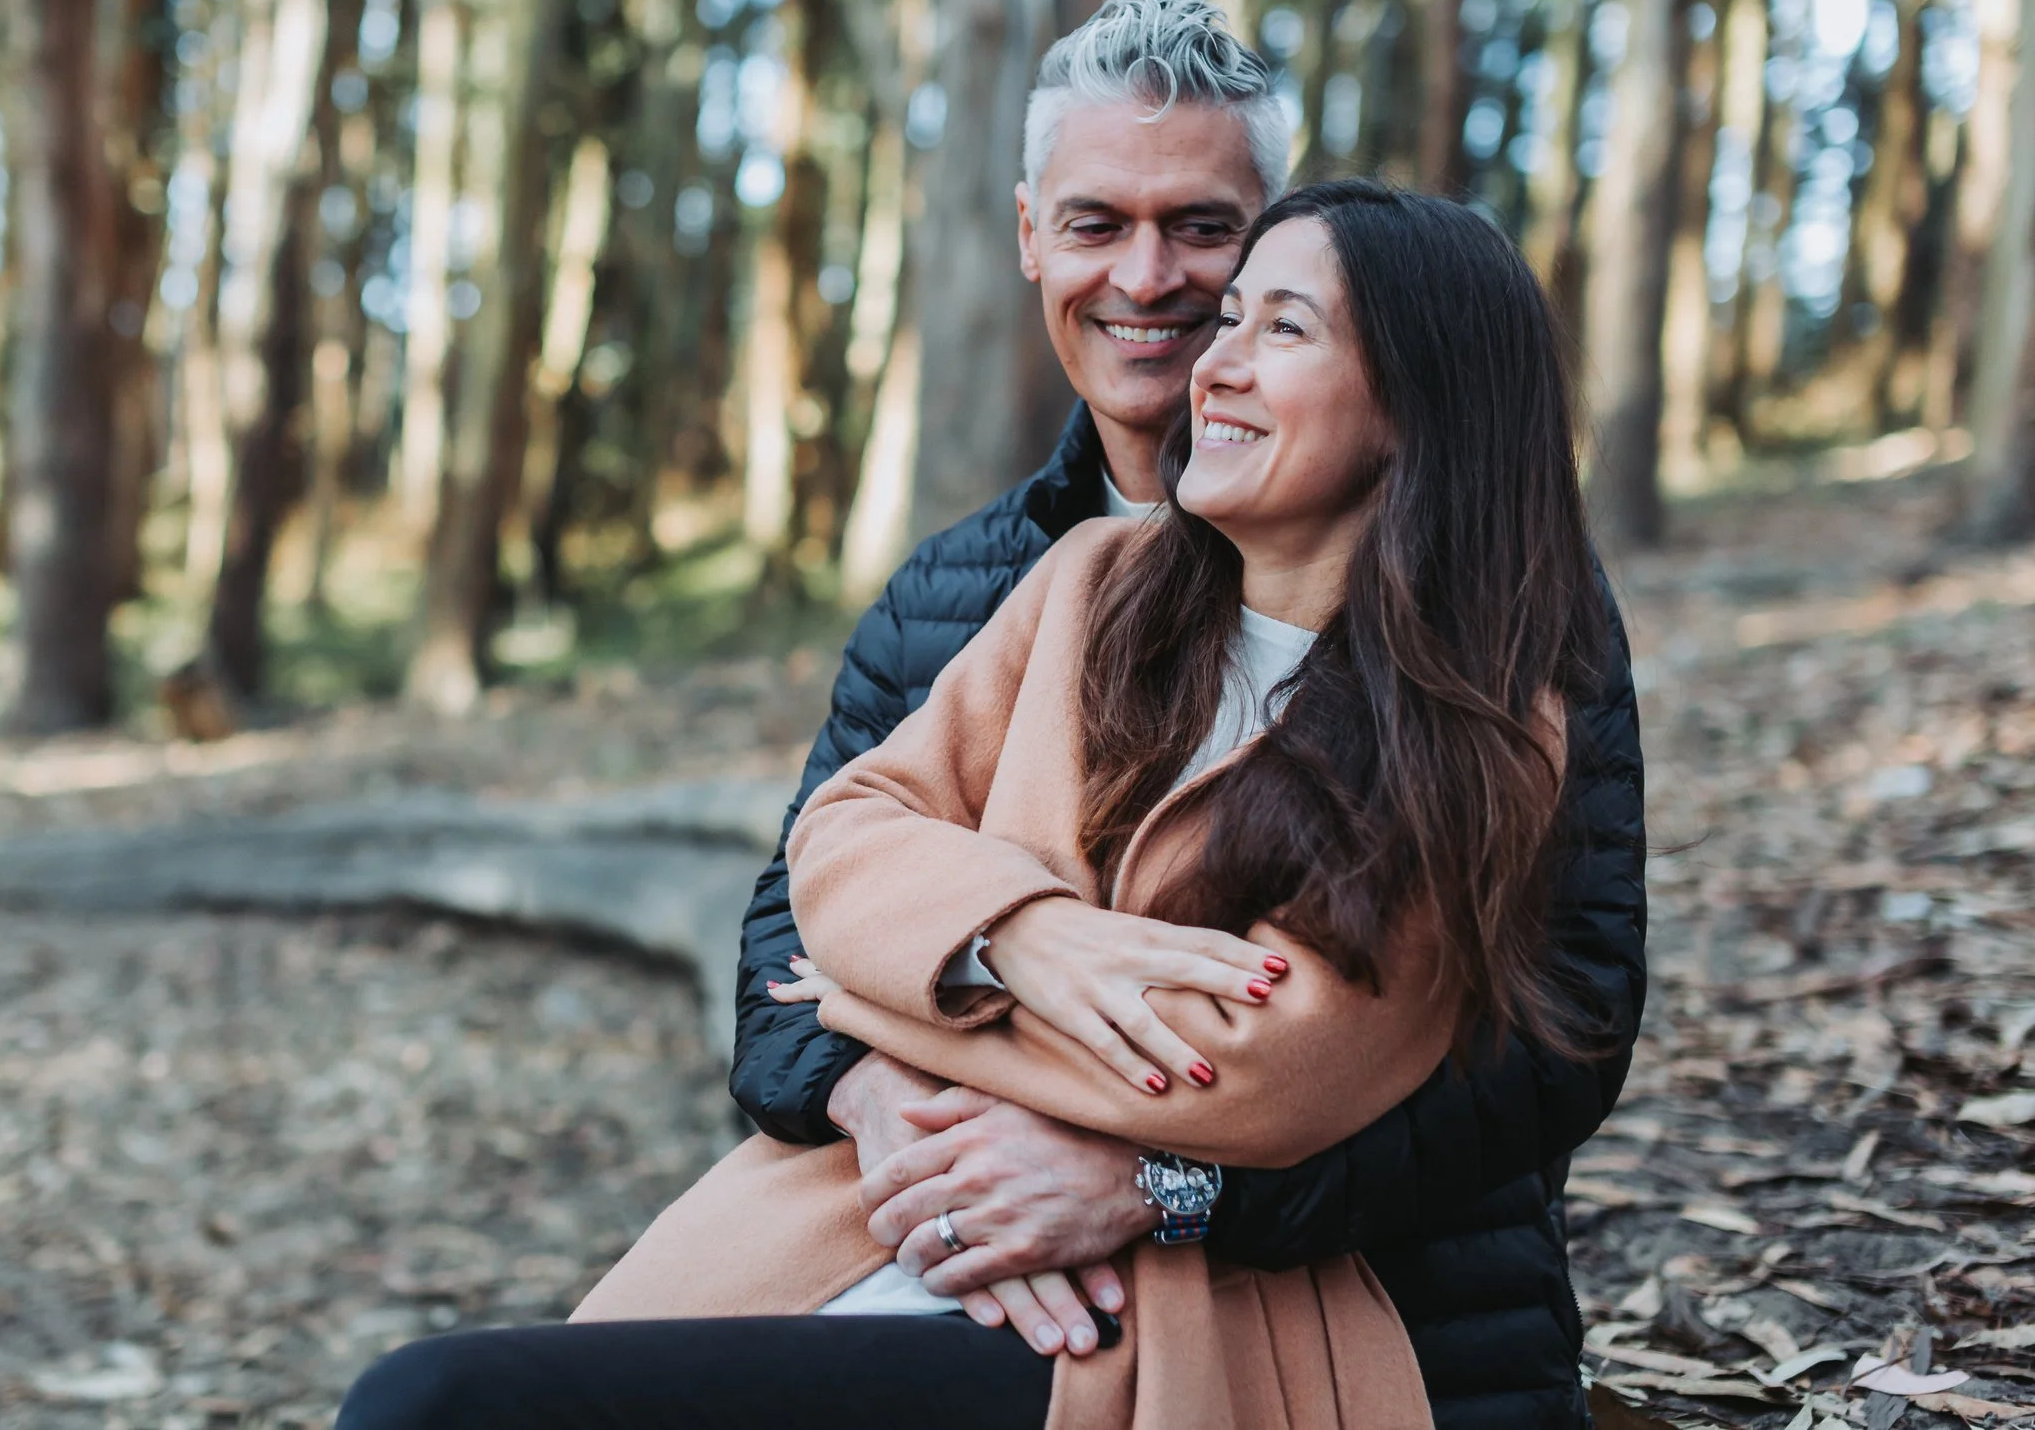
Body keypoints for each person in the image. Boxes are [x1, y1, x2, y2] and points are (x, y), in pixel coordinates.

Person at [338, 178, 1634, 1430]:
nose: (1215, 360)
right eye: (1228, 318)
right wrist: (1020, 936)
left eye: (1279, 325)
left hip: (1152, 1314)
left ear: (1418, 402)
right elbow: (838, 846)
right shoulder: (1093, 584)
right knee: (431, 1397)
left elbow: (1258, 1066)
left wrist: (894, 994)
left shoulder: (1477, 712)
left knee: (432, 1406)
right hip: (890, 1210)